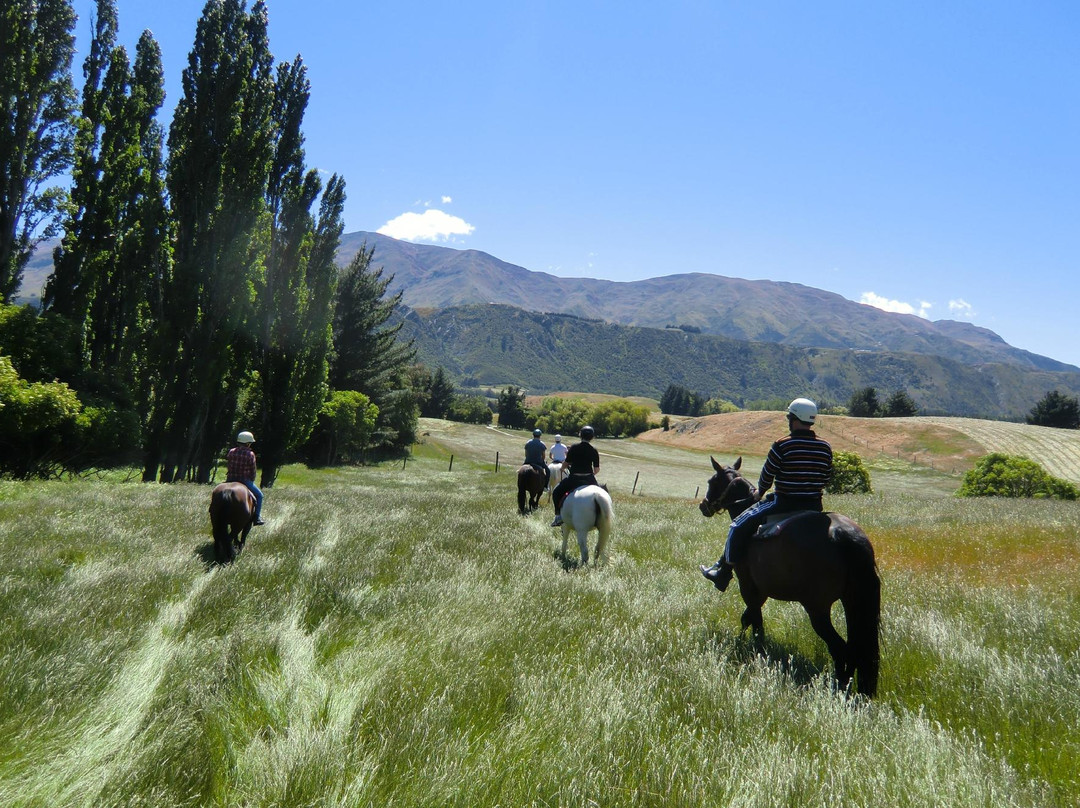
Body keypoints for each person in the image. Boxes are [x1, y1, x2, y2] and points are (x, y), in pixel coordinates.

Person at [700, 398, 832, 590]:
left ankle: (723, 573)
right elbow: (826, 477)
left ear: (793, 419)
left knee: (737, 526)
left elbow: (767, 475)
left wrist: (759, 492)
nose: (788, 420)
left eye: (789, 417)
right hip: (814, 505)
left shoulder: (782, 445)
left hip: (784, 503)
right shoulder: (825, 447)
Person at [551, 425, 601, 526]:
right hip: (589, 479)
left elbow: (566, 463)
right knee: (602, 494)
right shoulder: (594, 450)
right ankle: (601, 517)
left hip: (574, 479)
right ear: (592, 437)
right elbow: (596, 469)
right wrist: (591, 474)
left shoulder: (574, 447)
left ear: (580, 435)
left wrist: (562, 468)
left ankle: (558, 516)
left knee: (556, 492)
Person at [226, 430, 265, 525]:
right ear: (248, 443)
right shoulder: (250, 454)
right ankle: (257, 517)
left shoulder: (231, 451)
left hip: (230, 479)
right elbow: (253, 470)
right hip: (244, 480)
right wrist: (252, 479)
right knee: (260, 496)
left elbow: (229, 465)